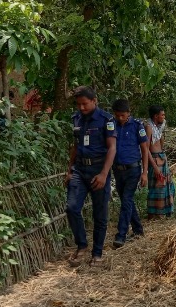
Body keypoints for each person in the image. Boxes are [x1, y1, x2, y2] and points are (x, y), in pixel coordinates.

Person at [64, 86, 116, 267]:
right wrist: (69, 169)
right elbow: (75, 146)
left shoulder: (106, 120)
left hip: (98, 170)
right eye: (78, 104)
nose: (81, 108)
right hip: (79, 170)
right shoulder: (76, 118)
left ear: (94, 101)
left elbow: (112, 148)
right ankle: (82, 245)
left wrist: (103, 174)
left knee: (99, 214)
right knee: (71, 208)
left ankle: (97, 253)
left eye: (85, 104)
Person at [111, 99, 149, 248]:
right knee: (127, 201)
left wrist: (144, 173)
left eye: (123, 115)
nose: (120, 118)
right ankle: (138, 229)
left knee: (126, 199)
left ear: (128, 113)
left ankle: (121, 235)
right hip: (117, 170)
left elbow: (145, 149)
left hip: (133, 170)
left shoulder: (137, 126)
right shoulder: (111, 125)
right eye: (117, 115)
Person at [144, 105, 175, 219]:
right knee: (157, 187)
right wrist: (155, 166)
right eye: (162, 115)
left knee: (166, 186)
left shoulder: (159, 126)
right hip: (155, 159)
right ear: (156, 116)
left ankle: (162, 212)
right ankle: (154, 214)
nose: (164, 116)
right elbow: (146, 149)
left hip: (161, 157)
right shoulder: (148, 127)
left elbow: (161, 140)